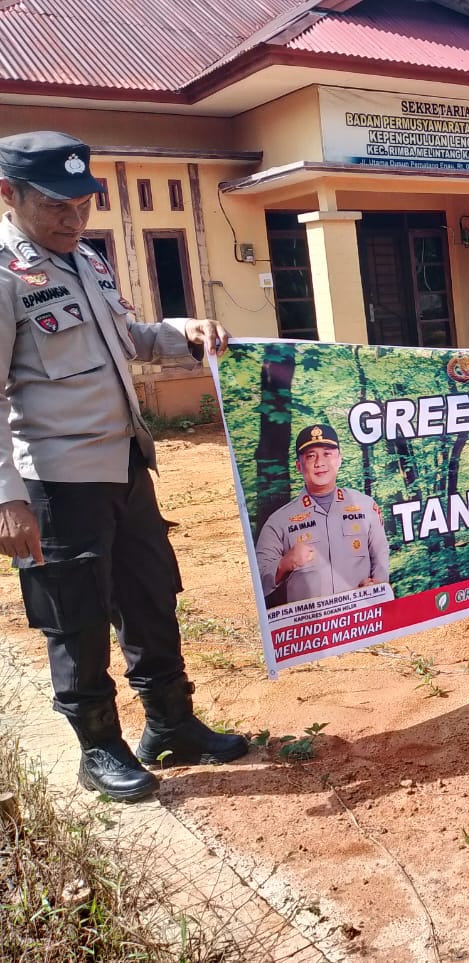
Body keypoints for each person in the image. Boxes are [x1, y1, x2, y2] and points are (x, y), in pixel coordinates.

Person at [0, 130, 248, 803]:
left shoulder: (88, 262)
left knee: (149, 594)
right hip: (57, 481)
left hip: (126, 463)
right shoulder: (3, 274)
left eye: (82, 203)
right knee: (75, 616)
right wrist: (7, 496)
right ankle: (98, 748)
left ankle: (171, 721)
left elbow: (131, 339)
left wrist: (185, 330)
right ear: (9, 195)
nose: (72, 217)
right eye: (56, 205)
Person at [255, 423, 391, 604]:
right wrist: (284, 564)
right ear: (298, 465)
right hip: (311, 626)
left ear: (339, 459)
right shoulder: (279, 521)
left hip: (362, 619)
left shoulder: (365, 506)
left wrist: (378, 585)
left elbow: (380, 555)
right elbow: (257, 580)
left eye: (327, 453)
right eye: (311, 456)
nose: (320, 463)